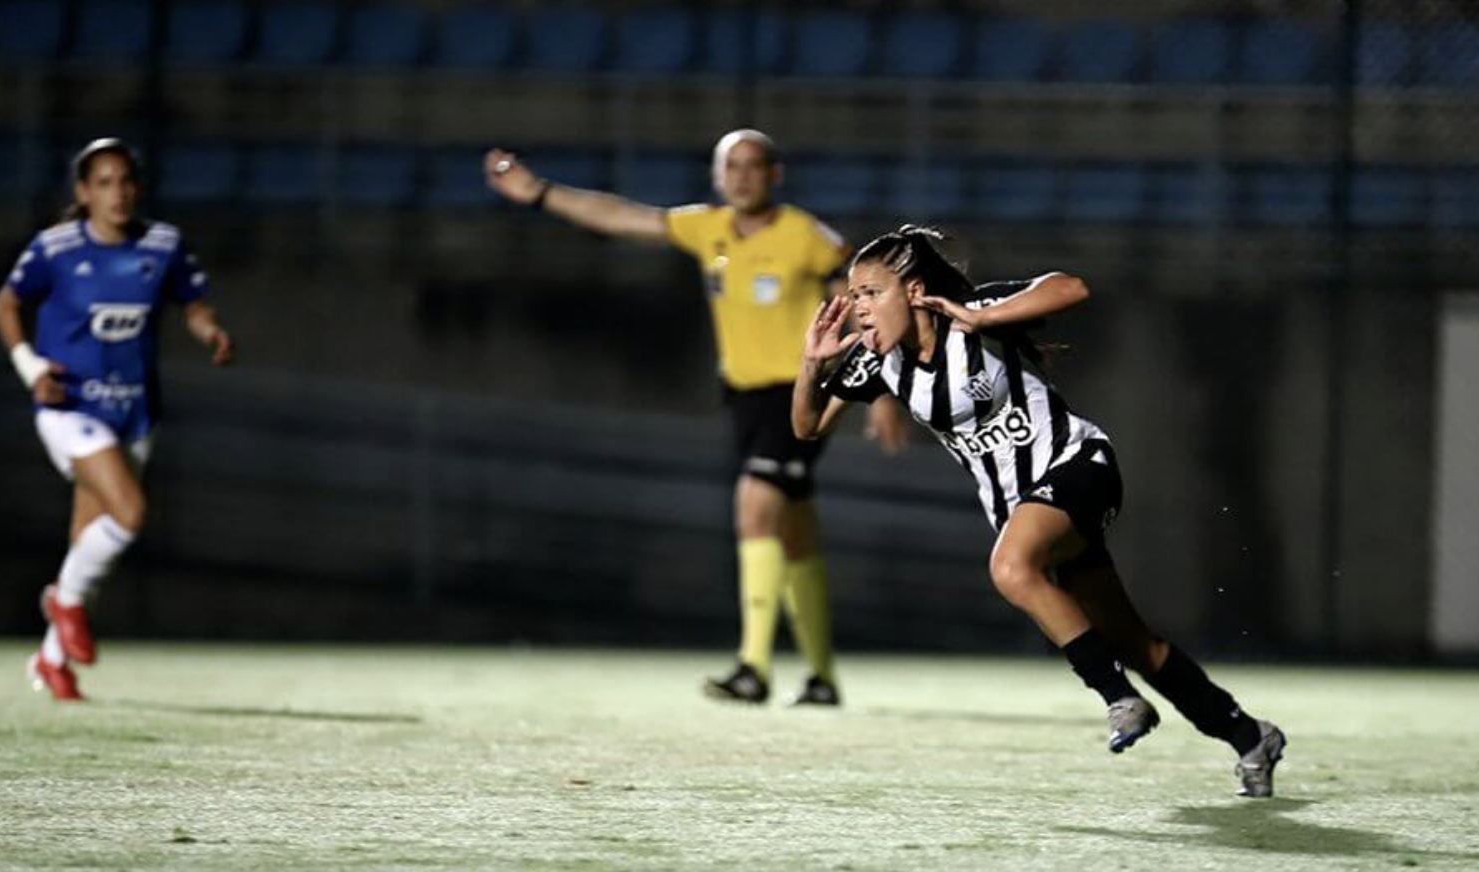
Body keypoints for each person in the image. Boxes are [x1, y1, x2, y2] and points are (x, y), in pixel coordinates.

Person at [793, 225, 1286, 797]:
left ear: (914, 290)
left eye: (871, 293)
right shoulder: (878, 364)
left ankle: (1117, 698)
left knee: (1010, 569)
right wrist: (810, 366)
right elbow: (805, 427)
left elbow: (1072, 287)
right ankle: (1250, 736)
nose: (859, 309)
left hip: (1079, 466)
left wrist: (984, 318)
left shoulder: (971, 313)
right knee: (1135, 643)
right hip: (1027, 511)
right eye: (853, 297)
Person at [484, 130, 907, 706]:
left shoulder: (804, 236)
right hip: (743, 396)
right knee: (794, 530)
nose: (741, 177)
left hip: (798, 392)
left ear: (774, 175)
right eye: (731, 166)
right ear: (716, 175)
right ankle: (822, 676)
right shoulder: (708, 229)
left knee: (755, 504)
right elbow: (621, 217)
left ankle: (752, 668)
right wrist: (539, 193)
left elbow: (865, 306)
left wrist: (880, 389)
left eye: (753, 166)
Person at [0, 137, 235, 701]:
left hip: (134, 411)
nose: (117, 193)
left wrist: (211, 332)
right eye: (103, 183)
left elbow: (193, 303)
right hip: (69, 407)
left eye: (125, 181)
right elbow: (6, 304)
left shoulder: (164, 244)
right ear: (83, 192)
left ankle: (52, 662)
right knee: (129, 514)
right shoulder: (55, 249)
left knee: (88, 547)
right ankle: (64, 602)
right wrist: (29, 367)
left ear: (138, 188)